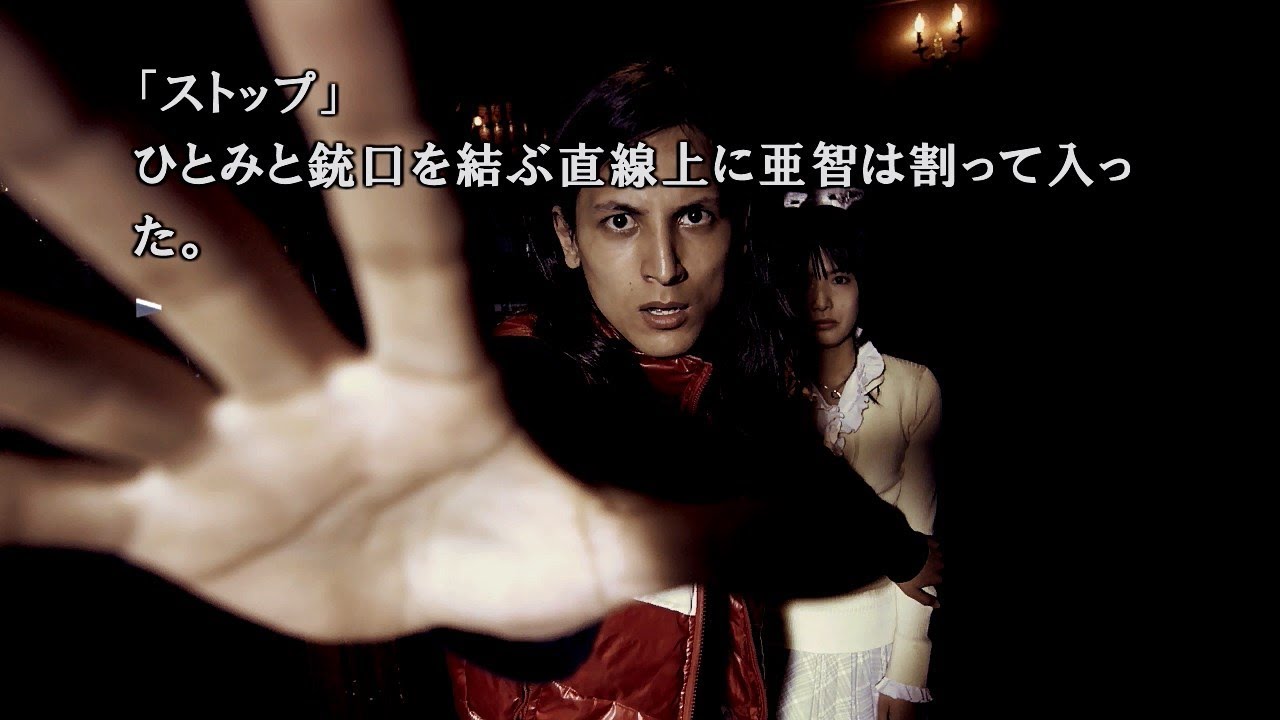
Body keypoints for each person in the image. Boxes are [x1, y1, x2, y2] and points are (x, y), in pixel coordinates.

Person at [0, 1, 939, 695]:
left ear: (734, 224)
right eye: (619, 220)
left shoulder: (742, 381)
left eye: (693, 215)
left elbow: (785, 500)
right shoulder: (523, 382)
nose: (664, 266)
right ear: (567, 236)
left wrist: (899, 549)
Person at [767, 195, 942, 720]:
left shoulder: (912, 385)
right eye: (804, 281)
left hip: (871, 650)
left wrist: (909, 670)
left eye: (839, 279)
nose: (821, 300)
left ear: (863, 286)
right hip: (770, 650)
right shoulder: (761, 387)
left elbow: (921, 544)